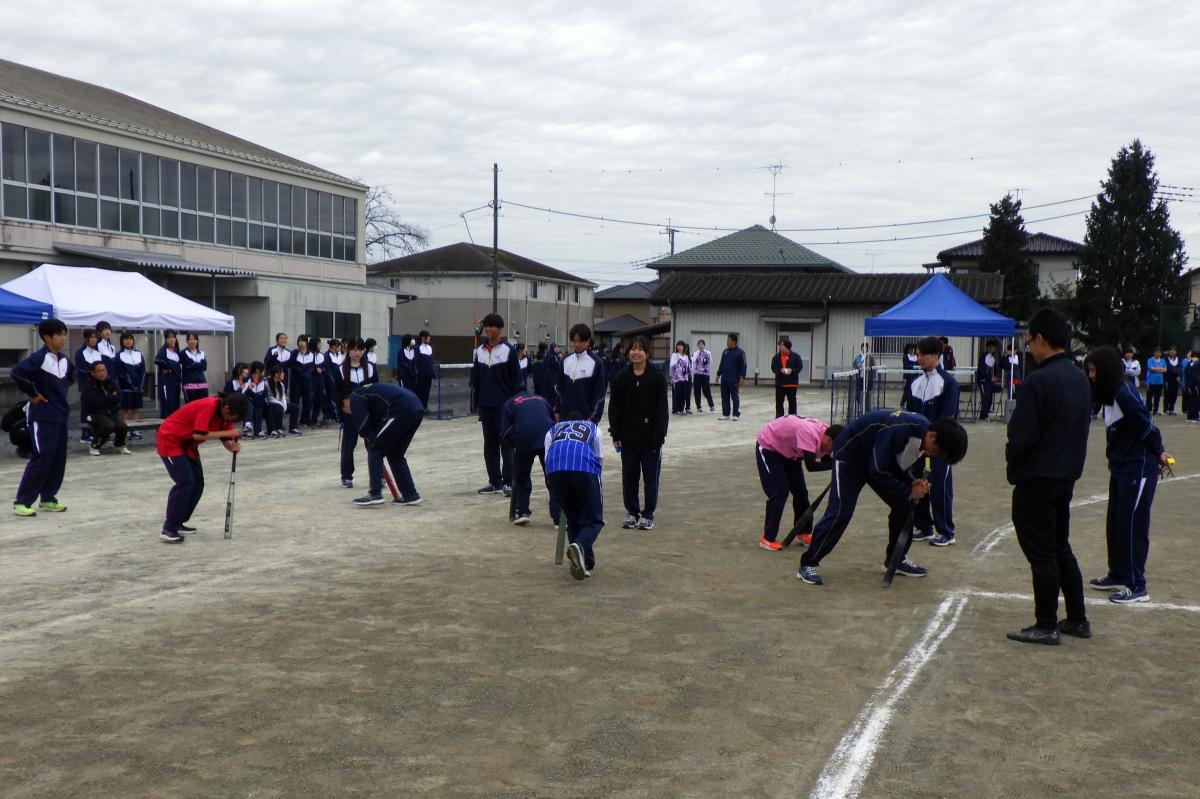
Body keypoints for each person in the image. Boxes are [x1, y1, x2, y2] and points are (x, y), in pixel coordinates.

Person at [795, 410, 968, 586]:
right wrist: (908, 490)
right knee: (841, 511)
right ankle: (808, 563)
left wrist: (912, 483)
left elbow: (894, 465)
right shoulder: (901, 429)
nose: (935, 455)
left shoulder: (923, 437)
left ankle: (896, 559)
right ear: (932, 436)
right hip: (851, 455)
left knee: (905, 504)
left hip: (876, 459)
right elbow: (877, 470)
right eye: (938, 450)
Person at [1004, 307, 1093, 645]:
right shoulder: (1080, 378)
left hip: (1036, 479)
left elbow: (1021, 437)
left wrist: (1014, 464)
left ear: (1041, 339)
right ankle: (1078, 618)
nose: (1029, 349)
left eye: (1029, 342)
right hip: (1065, 477)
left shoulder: (1038, 381)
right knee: (1059, 546)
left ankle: (1046, 623)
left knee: (1042, 552)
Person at [1084, 346, 1171, 604]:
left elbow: (1147, 426)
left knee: (1134, 525)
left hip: (1138, 469)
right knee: (1116, 523)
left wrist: (1160, 452)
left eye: (1093, 370)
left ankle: (1137, 584)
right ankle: (1118, 573)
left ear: (1106, 371)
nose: (1090, 375)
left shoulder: (1124, 394)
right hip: (1121, 468)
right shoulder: (1110, 396)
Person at [155, 393, 246, 543]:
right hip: (170, 440)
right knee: (185, 482)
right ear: (227, 408)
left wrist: (231, 446)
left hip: (188, 446)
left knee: (198, 483)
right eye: (232, 417)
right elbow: (199, 434)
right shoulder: (209, 406)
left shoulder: (226, 415)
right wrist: (227, 433)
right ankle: (168, 528)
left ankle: (178, 521)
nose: (231, 421)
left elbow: (225, 438)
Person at [11, 319, 73, 517]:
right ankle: (22, 502)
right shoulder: (38, 358)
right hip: (42, 416)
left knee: (58, 458)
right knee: (42, 457)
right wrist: (34, 393)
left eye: (64, 334)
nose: (63, 338)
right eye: (60, 334)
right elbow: (17, 372)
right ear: (47, 337)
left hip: (60, 415)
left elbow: (71, 377)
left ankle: (48, 498)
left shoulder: (64, 360)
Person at [608, 335, 669, 531]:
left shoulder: (656, 377)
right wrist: (616, 434)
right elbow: (614, 408)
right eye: (632, 349)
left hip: (650, 440)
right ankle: (632, 512)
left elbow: (662, 411)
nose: (635, 352)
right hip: (628, 439)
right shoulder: (622, 378)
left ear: (647, 353)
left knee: (651, 479)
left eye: (639, 349)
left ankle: (648, 514)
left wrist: (657, 437)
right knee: (629, 477)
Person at [905, 336, 961, 547]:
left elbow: (947, 418)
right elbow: (909, 414)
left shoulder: (948, 383)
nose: (919, 358)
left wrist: (934, 442)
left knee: (940, 486)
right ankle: (924, 526)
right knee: (918, 482)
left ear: (936, 355)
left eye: (923, 354)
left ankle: (946, 531)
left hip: (939, 446)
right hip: (918, 445)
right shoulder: (915, 382)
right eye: (917, 354)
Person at [755, 415, 841, 551]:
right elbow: (811, 466)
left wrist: (840, 463)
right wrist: (835, 464)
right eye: (832, 448)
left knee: (800, 491)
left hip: (790, 451)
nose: (831, 452)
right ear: (828, 439)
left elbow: (826, 460)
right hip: (770, 447)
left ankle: (803, 532)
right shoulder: (809, 433)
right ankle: (767, 538)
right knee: (779, 492)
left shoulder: (825, 434)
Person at [545, 414, 606, 581]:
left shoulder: (553, 430)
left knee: (573, 518)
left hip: (555, 471)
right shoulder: (593, 427)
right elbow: (599, 459)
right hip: (584, 468)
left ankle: (584, 562)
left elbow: (547, 457)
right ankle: (580, 546)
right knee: (594, 520)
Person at [347, 382, 424, 507]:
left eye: (346, 409)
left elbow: (363, 425)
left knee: (376, 450)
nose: (349, 412)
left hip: (400, 409)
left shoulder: (356, 396)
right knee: (395, 454)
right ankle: (410, 495)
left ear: (346, 401)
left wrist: (370, 439)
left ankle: (375, 493)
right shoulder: (369, 393)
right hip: (416, 407)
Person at [471, 313, 522, 495]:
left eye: (492, 326)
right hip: (486, 405)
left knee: (506, 443)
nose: (488, 329)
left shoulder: (508, 350)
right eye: (486, 326)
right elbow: (476, 380)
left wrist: (516, 406)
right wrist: (476, 403)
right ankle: (494, 481)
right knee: (489, 443)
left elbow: (517, 381)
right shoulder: (480, 351)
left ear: (500, 328)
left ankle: (509, 482)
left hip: (505, 405)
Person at [500, 391, 561, 526]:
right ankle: (558, 518)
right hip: (547, 437)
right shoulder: (541, 399)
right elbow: (553, 418)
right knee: (552, 476)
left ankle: (523, 512)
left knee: (521, 476)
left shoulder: (509, 403)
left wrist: (514, 444)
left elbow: (504, 432)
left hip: (524, 439)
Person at [338, 337, 379, 487]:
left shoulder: (371, 367)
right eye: (354, 349)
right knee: (349, 445)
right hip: (349, 413)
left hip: (368, 412)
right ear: (348, 350)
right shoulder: (340, 369)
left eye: (360, 349)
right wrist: (341, 411)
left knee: (374, 445)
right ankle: (346, 476)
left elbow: (377, 390)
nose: (357, 353)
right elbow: (336, 393)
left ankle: (378, 476)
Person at [557, 323, 607, 423]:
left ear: (588, 340)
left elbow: (600, 394)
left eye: (580, 341)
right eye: (574, 340)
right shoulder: (565, 360)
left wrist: (593, 418)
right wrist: (557, 410)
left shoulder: (596, 362)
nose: (576, 344)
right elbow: (559, 389)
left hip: (586, 419)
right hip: (565, 417)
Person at [80, 361, 131, 455]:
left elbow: (119, 397)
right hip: (93, 414)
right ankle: (94, 446)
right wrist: (111, 398)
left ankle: (119, 445)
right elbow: (93, 402)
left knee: (122, 426)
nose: (102, 373)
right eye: (99, 371)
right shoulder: (88, 385)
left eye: (104, 370)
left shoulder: (110, 382)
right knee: (108, 426)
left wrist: (107, 400)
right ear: (93, 372)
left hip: (110, 412)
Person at [74, 328, 104, 442]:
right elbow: (80, 370)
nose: (94, 340)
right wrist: (92, 375)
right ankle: (85, 433)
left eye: (95, 337)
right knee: (86, 409)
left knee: (97, 409)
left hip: (98, 385)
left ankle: (95, 431)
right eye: (91, 337)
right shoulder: (80, 353)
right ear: (86, 339)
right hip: (86, 385)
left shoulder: (97, 353)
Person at [115, 332, 147, 435]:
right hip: (125, 388)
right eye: (126, 339)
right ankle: (127, 430)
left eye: (130, 339)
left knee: (135, 409)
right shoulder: (119, 355)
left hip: (137, 388)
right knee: (125, 409)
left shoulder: (138, 354)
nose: (128, 341)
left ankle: (135, 429)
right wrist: (130, 384)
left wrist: (140, 386)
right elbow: (121, 373)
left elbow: (143, 371)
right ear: (122, 341)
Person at [716, 333, 747, 421]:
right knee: (724, 396)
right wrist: (718, 374)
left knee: (734, 397)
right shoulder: (725, 351)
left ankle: (735, 414)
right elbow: (722, 363)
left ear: (734, 341)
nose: (727, 342)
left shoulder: (740, 352)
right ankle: (726, 414)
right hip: (724, 378)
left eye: (728, 340)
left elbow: (744, 366)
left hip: (734, 378)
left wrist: (742, 377)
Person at [265, 365, 301, 437]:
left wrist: (284, 405)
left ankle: (293, 428)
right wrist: (281, 404)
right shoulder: (267, 383)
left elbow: (283, 397)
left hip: (280, 404)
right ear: (276, 374)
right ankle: (278, 428)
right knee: (279, 408)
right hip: (270, 404)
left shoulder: (281, 384)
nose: (283, 374)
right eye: (281, 373)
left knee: (295, 407)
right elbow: (269, 398)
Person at [154, 329, 183, 419]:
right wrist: (167, 368)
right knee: (167, 406)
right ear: (166, 339)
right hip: (167, 383)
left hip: (177, 383)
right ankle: (163, 430)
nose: (171, 339)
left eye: (173, 337)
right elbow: (158, 360)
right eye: (169, 337)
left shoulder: (176, 351)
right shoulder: (164, 350)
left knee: (175, 406)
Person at [771, 338, 802, 418]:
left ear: (787, 346)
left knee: (792, 403)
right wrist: (780, 370)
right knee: (779, 403)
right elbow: (773, 368)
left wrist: (791, 370)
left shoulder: (795, 356)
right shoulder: (776, 357)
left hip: (791, 384)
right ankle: (779, 419)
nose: (780, 347)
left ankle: (792, 419)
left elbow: (799, 367)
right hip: (780, 384)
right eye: (779, 345)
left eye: (782, 345)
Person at [180, 333, 209, 403]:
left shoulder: (201, 353)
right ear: (187, 341)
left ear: (197, 341)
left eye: (194, 339)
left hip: (202, 383)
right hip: (189, 384)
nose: (193, 341)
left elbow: (204, 367)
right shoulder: (183, 353)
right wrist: (198, 365)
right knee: (191, 406)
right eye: (190, 339)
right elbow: (186, 367)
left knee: (202, 405)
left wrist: (194, 365)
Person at [976, 339, 1000, 420]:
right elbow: (981, 370)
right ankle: (983, 415)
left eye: (992, 347)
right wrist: (990, 377)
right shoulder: (983, 357)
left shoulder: (994, 357)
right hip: (983, 381)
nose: (991, 349)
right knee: (985, 398)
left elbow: (996, 369)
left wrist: (996, 376)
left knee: (989, 398)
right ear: (986, 348)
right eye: (989, 347)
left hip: (990, 382)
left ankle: (985, 415)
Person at [243, 362, 268, 438]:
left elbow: (265, 394)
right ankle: (247, 431)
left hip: (258, 402)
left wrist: (261, 401)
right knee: (250, 405)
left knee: (259, 407)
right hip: (247, 402)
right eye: (262, 370)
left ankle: (258, 430)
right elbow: (244, 394)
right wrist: (249, 389)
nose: (264, 372)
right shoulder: (247, 380)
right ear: (257, 370)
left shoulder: (263, 381)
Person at [324, 339, 345, 423]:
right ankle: (332, 415)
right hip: (330, 381)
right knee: (331, 398)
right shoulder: (327, 355)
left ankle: (339, 415)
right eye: (338, 345)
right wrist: (332, 380)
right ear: (333, 346)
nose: (340, 347)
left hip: (340, 380)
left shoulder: (339, 354)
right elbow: (328, 370)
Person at [691, 339, 715, 412]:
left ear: (704, 345)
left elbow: (710, 361)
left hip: (705, 374)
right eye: (699, 344)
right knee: (697, 391)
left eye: (702, 344)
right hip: (697, 374)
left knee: (706, 390)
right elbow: (693, 360)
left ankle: (711, 405)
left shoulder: (708, 353)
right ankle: (699, 406)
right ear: (697, 345)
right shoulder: (695, 353)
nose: (700, 345)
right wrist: (698, 354)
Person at [669, 340, 692, 415]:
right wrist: (678, 362)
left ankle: (682, 409)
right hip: (677, 379)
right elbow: (672, 365)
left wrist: (688, 373)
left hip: (684, 378)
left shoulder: (686, 356)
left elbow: (689, 368)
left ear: (684, 347)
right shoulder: (675, 355)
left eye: (681, 345)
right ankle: (677, 410)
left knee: (683, 394)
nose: (679, 347)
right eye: (678, 345)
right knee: (677, 394)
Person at [416, 330, 435, 411]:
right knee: (421, 390)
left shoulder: (429, 348)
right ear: (423, 338)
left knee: (427, 390)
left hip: (429, 373)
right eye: (428, 336)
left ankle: (425, 406)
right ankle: (420, 406)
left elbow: (431, 361)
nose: (429, 338)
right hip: (421, 373)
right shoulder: (418, 347)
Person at [1145, 348, 1166, 415]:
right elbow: (1151, 368)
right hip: (1151, 382)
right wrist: (1160, 369)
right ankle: (1148, 410)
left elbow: (1165, 370)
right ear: (1154, 353)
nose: (1158, 354)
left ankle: (1156, 410)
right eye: (1157, 352)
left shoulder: (1162, 360)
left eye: (1159, 352)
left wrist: (1158, 369)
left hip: (1159, 382)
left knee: (1157, 397)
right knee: (1149, 397)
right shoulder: (1150, 360)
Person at [1163, 346, 1181, 415]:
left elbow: (1180, 368)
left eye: (1174, 350)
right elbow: (1169, 368)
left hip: (1176, 379)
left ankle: (1172, 408)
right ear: (1169, 351)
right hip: (1168, 379)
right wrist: (1176, 372)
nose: (1173, 352)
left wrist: (1179, 376)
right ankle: (1166, 409)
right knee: (1167, 393)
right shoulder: (1166, 359)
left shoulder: (1178, 359)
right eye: (1171, 350)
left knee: (1175, 394)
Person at [1185, 351, 1200, 422]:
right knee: (1190, 400)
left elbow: (1197, 376)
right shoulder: (1189, 363)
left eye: (1195, 356)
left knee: (1196, 400)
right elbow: (1187, 373)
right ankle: (1190, 416)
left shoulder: (1198, 364)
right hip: (1190, 384)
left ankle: (1196, 416)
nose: (1194, 358)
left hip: (1196, 384)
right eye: (1193, 356)